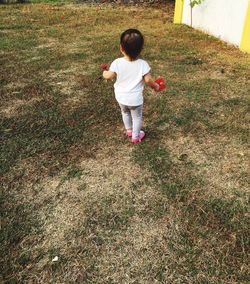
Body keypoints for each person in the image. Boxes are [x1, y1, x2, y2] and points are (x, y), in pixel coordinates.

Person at [102, 28, 165, 143]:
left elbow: (109, 76)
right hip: (135, 99)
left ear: (121, 48)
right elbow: (148, 80)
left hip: (121, 97)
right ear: (141, 49)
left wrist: (104, 73)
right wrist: (156, 86)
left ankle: (129, 130)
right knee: (137, 117)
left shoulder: (117, 62)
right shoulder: (143, 64)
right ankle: (136, 137)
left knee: (124, 112)